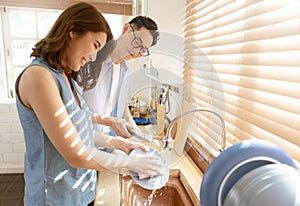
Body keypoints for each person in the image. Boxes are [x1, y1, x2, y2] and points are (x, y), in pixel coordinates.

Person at [15, 2, 163, 206]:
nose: (93, 57)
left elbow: (78, 128)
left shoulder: (65, 77)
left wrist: (117, 143)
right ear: (72, 31)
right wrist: (130, 162)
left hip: (79, 189)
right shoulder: (38, 77)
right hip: (54, 195)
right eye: (94, 45)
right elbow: (75, 153)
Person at [77, 16, 159, 139]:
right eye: (137, 42)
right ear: (126, 29)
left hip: (109, 143)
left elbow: (122, 107)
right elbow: (73, 110)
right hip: (83, 141)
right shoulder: (91, 59)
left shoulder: (124, 71)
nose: (137, 51)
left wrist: (140, 136)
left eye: (143, 50)